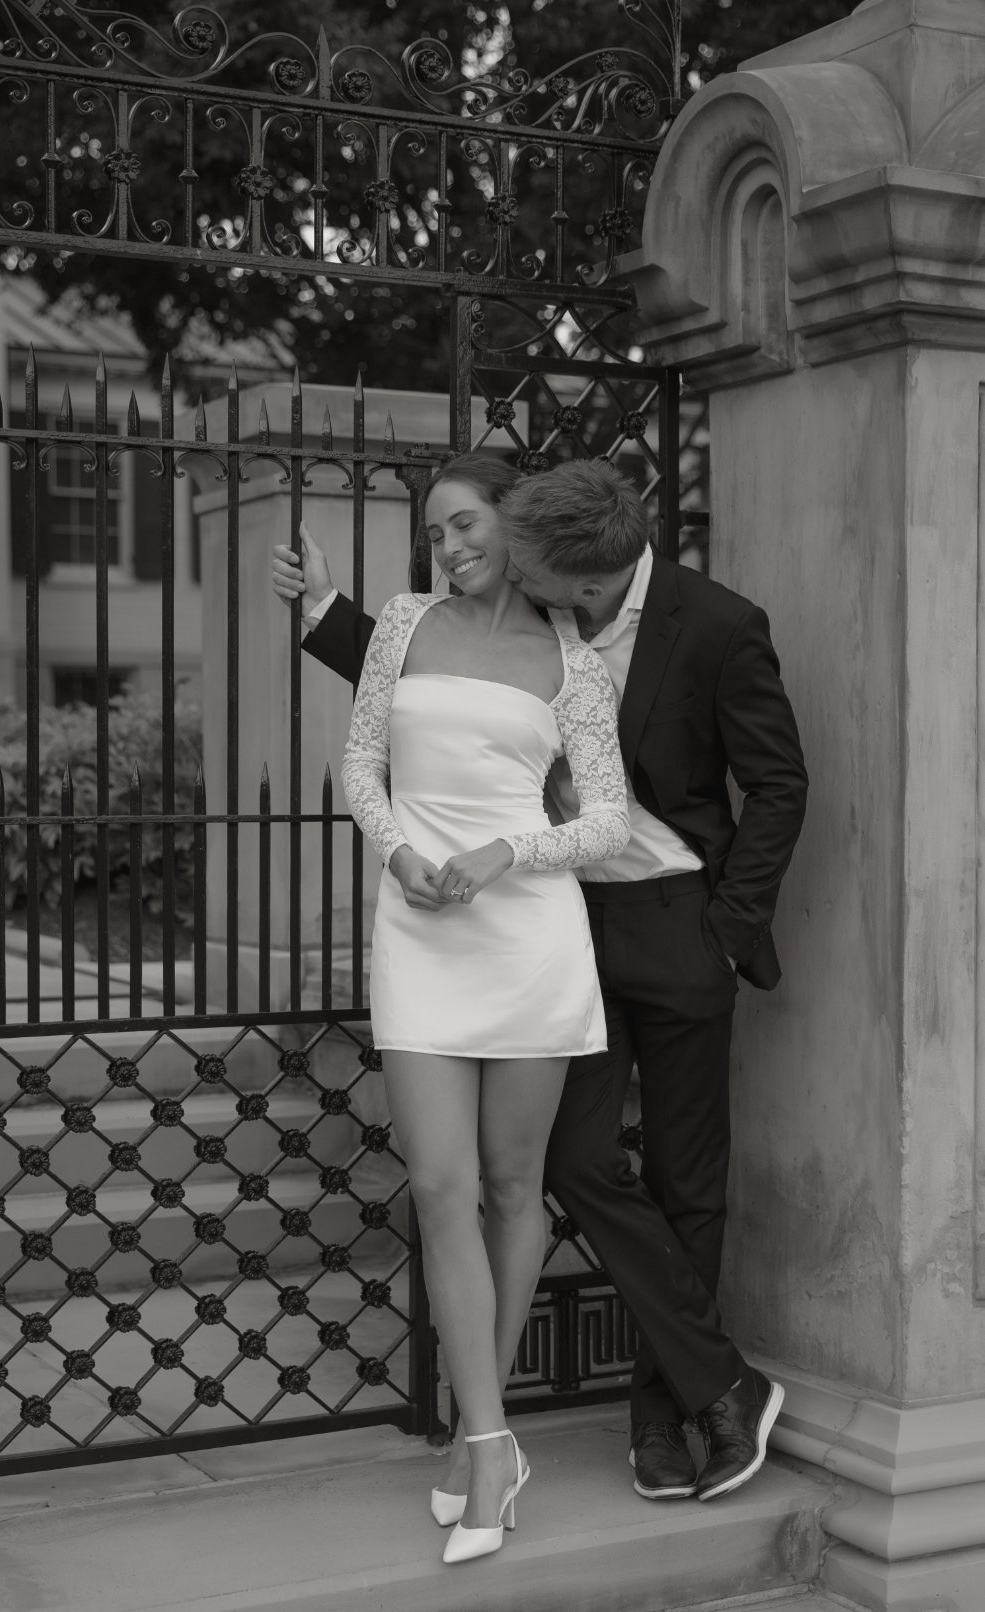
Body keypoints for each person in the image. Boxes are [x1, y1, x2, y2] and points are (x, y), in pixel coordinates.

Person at [273, 453, 808, 1507]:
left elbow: (777, 782)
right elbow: (443, 690)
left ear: (595, 570)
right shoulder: (532, 616)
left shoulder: (716, 623)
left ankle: (669, 1414)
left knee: (689, 1186)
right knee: (575, 1160)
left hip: (676, 922)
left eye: (571, 588)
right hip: (564, 926)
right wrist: (328, 607)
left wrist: (728, 930)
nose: (555, 597)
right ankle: (703, 1383)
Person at [336, 455, 631, 1564]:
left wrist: (512, 847)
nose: (445, 547)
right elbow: (362, 763)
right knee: (439, 1182)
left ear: (512, 526)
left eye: (462, 525)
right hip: (417, 927)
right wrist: (401, 851)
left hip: (528, 935)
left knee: (514, 1186)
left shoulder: (574, 664)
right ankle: (494, 1435)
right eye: (432, 532)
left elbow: (605, 819)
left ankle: (481, 1435)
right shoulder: (402, 625)